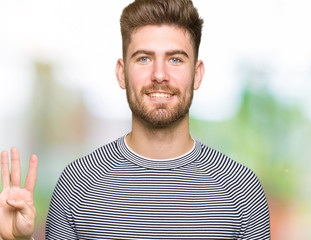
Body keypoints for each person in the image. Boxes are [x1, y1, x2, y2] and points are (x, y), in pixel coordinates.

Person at [1, 0, 270, 239]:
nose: (159, 75)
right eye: (144, 58)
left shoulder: (242, 188)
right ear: (121, 73)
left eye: (175, 59)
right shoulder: (77, 183)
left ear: (197, 74)